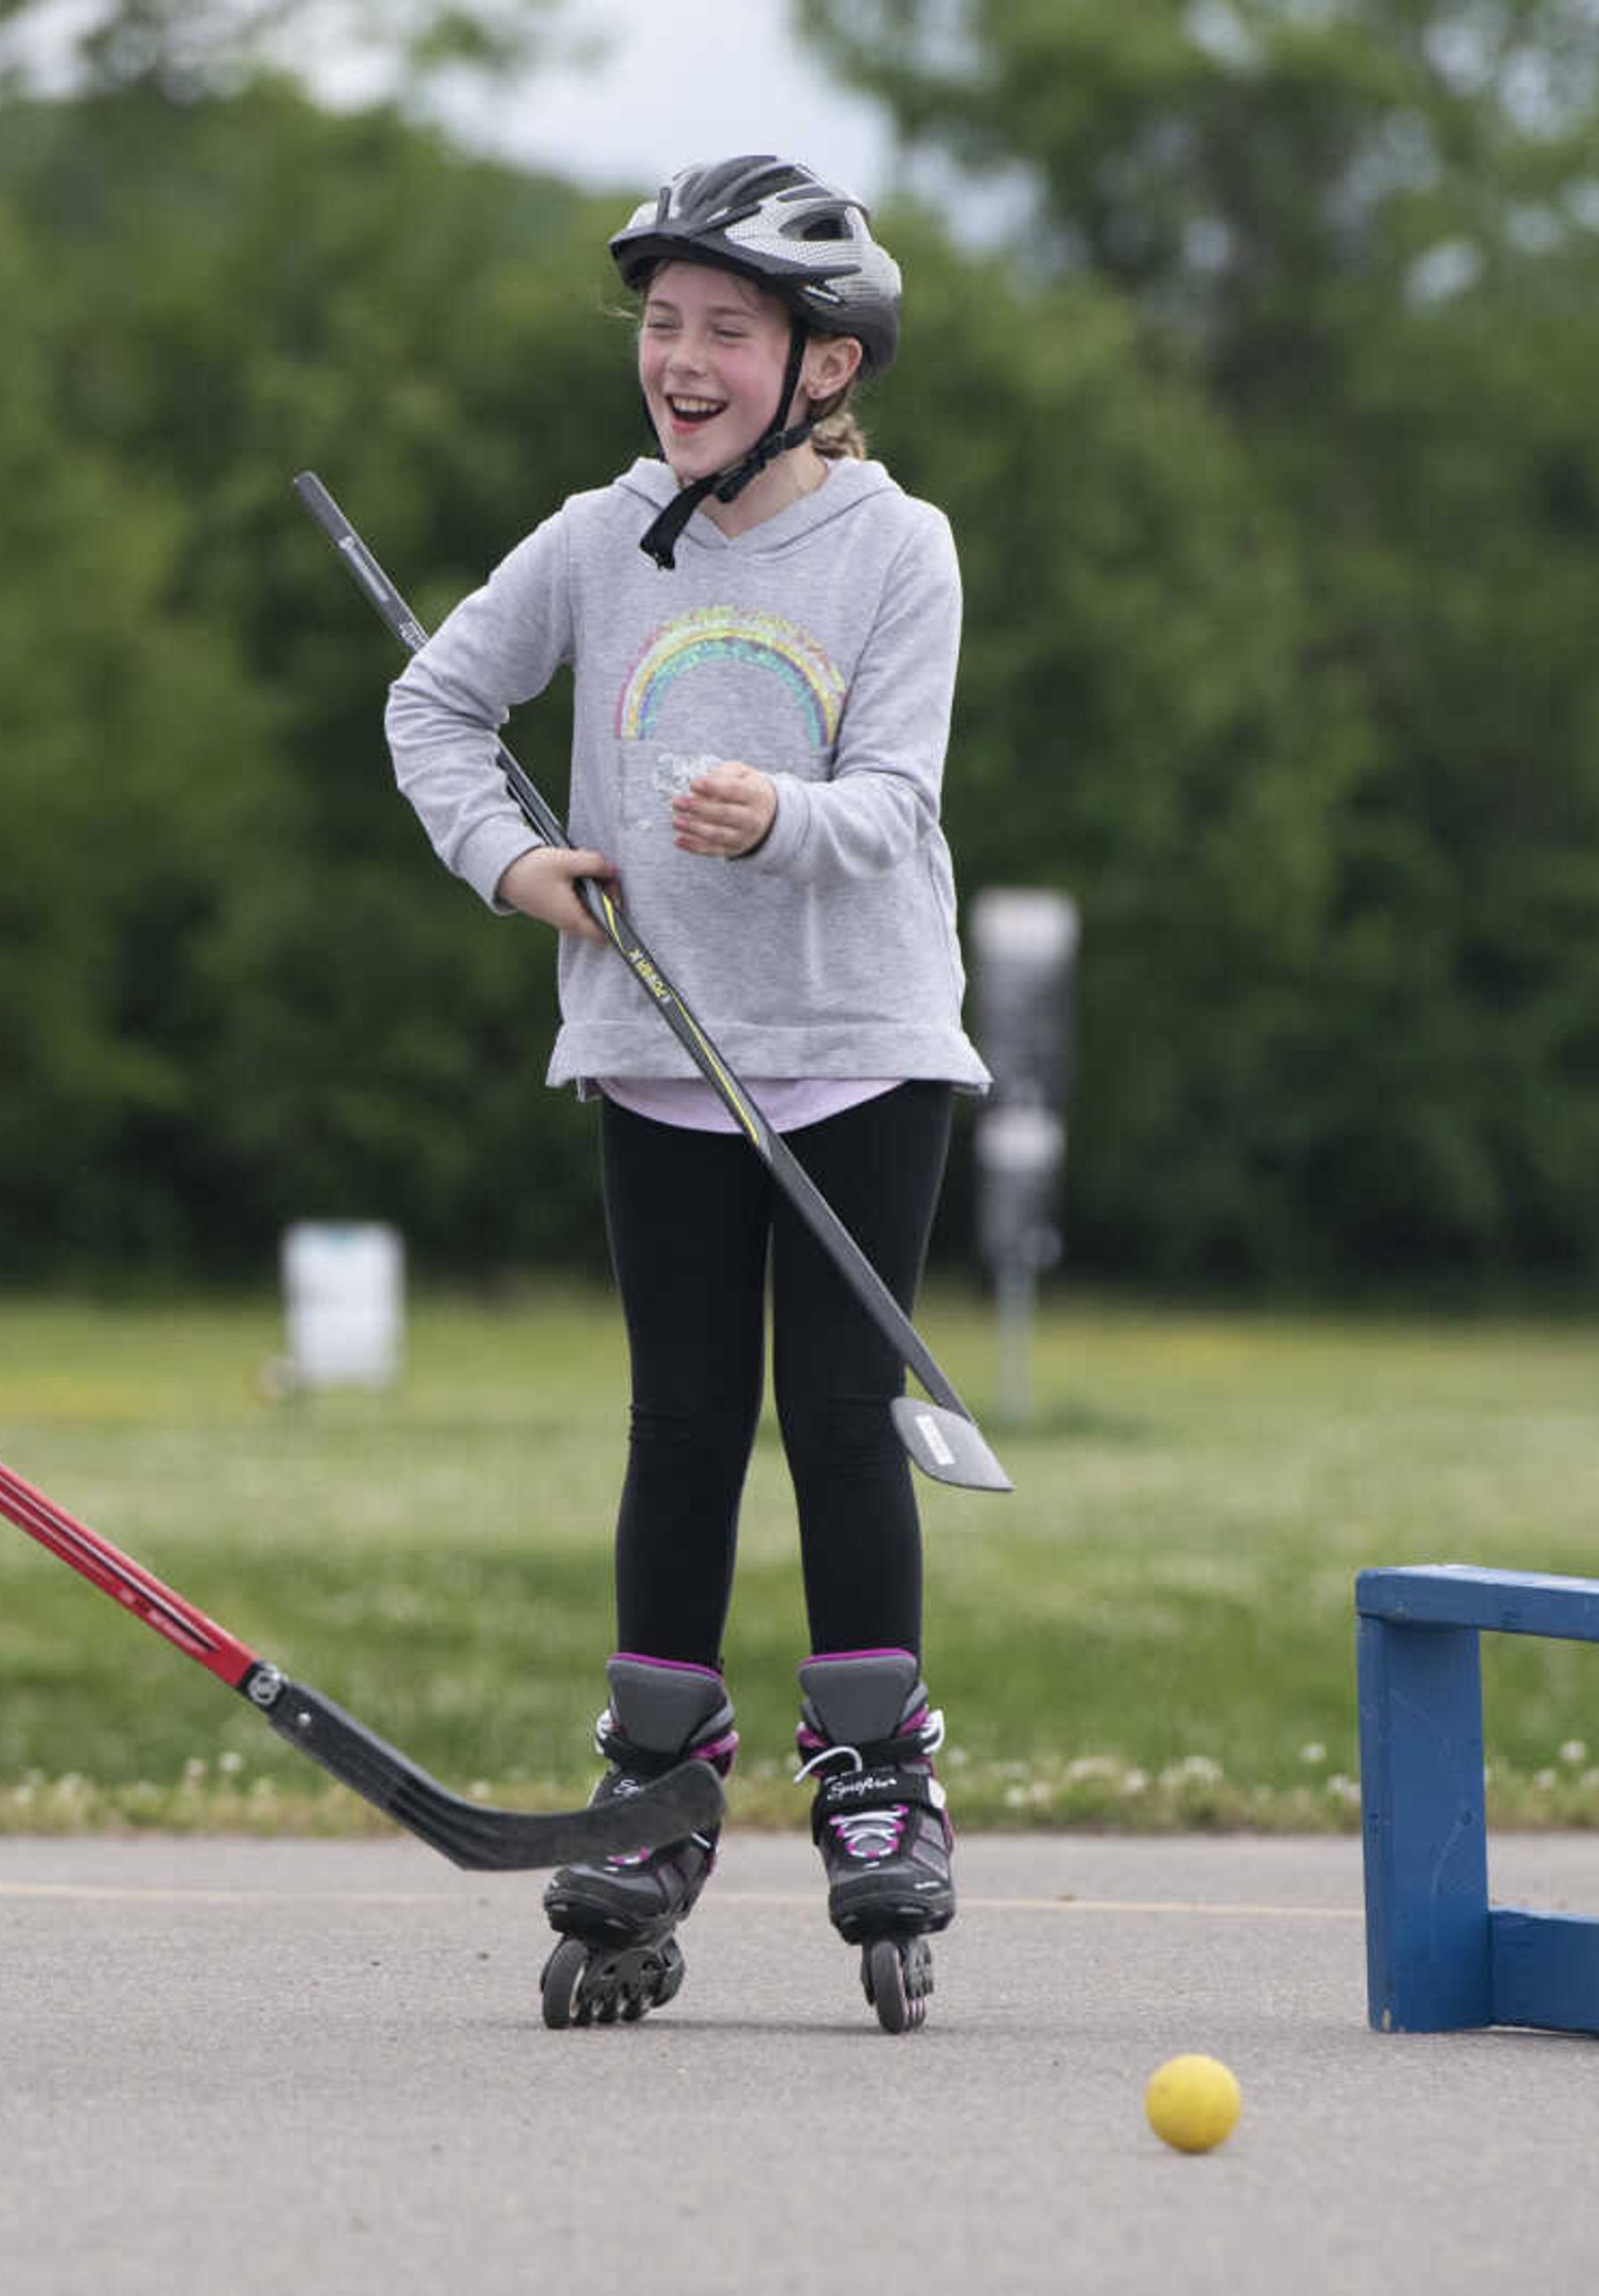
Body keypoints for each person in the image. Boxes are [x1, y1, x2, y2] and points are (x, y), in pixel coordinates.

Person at [378, 158, 984, 2031]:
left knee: (838, 1407)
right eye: (662, 324)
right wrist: (519, 868)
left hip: (856, 1048)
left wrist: (775, 815)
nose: (684, 358)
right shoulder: (596, 536)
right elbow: (432, 709)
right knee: (682, 1420)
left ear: (824, 361)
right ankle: (654, 1786)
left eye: (727, 328)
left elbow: (896, 799)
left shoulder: (899, 550)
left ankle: (875, 1771)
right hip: (658, 1054)